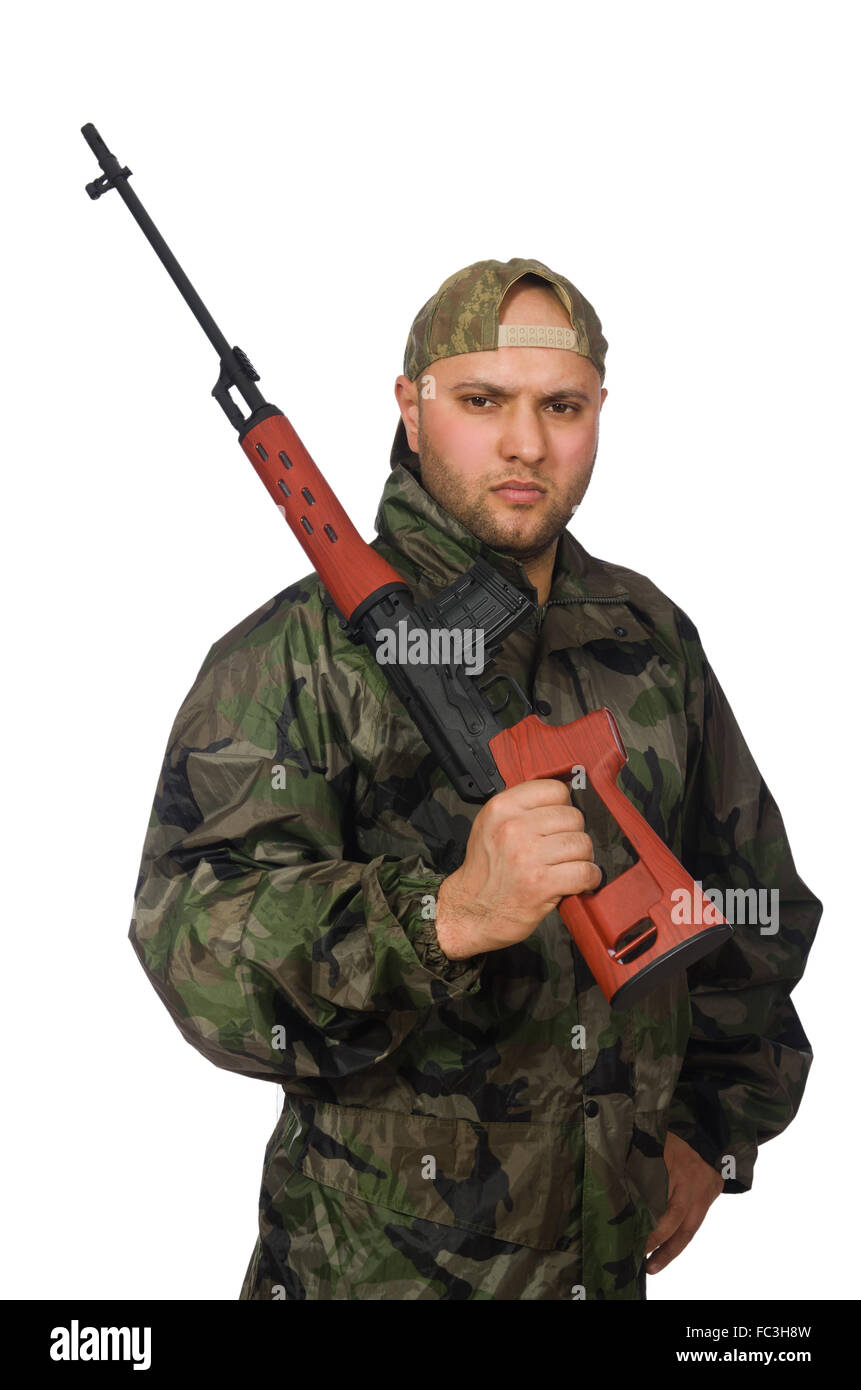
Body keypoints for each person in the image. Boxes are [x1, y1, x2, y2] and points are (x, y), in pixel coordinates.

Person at [129, 258, 820, 1301]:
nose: (526, 443)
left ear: (599, 414)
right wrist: (441, 916)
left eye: (562, 405)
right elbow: (193, 948)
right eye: (481, 400)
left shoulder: (648, 639)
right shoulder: (297, 656)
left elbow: (751, 908)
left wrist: (711, 1133)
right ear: (410, 411)